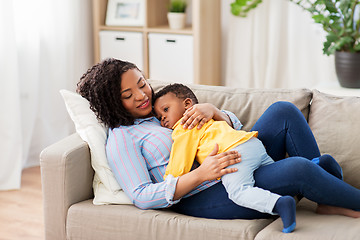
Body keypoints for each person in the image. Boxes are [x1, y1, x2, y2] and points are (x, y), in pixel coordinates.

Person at [76, 58, 360, 233]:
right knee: (298, 169)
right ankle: (329, 188)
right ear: (114, 103)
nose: (142, 95)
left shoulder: (161, 106)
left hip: (239, 158)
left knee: (284, 111)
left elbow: (225, 130)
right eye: (129, 94)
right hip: (209, 194)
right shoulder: (122, 139)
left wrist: (215, 111)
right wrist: (200, 174)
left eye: (141, 83)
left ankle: (325, 198)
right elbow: (141, 195)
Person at [153, 83, 299, 232]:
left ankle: (279, 204)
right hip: (252, 143)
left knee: (238, 192)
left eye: (166, 110)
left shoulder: (184, 127)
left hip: (234, 154)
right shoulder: (208, 118)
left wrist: (167, 180)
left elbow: (180, 163)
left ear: (187, 104)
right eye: (159, 117)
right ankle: (317, 165)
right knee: (277, 174)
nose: (163, 118)